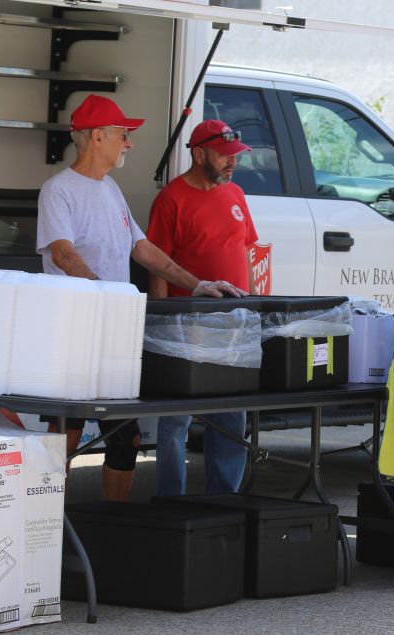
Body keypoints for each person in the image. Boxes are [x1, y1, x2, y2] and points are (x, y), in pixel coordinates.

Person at [36, 94, 245, 501]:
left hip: (113, 329)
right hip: (77, 332)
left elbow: (144, 249)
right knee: (67, 432)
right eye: (123, 134)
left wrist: (197, 282)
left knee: (124, 436)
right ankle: (44, 520)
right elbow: (63, 253)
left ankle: (117, 524)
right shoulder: (58, 190)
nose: (129, 143)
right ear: (98, 137)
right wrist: (108, 293)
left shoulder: (110, 189)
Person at [146, 120, 258, 497]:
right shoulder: (172, 199)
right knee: (175, 421)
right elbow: (156, 264)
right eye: (224, 156)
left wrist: (256, 309)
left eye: (235, 157)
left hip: (233, 327)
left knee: (231, 417)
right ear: (198, 154)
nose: (232, 163)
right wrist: (161, 325)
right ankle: (170, 501)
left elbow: (245, 253)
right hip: (185, 326)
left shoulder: (236, 194)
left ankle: (223, 503)